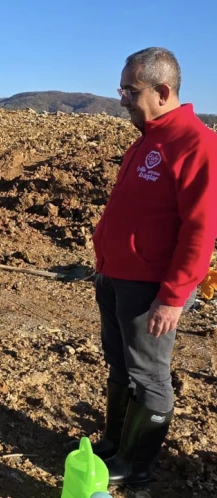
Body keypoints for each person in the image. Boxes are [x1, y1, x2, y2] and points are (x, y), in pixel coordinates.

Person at [89, 47, 217, 485]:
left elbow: (200, 230)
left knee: (148, 374)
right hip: (115, 276)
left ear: (163, 91)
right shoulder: (146, 139)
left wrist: (173, 296)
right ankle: (114, 443)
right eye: (121, 89)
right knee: (120, 365)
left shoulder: (196, 143)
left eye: (130, 90)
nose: (122, 98)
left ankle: (135, 465)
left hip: (150, 288)